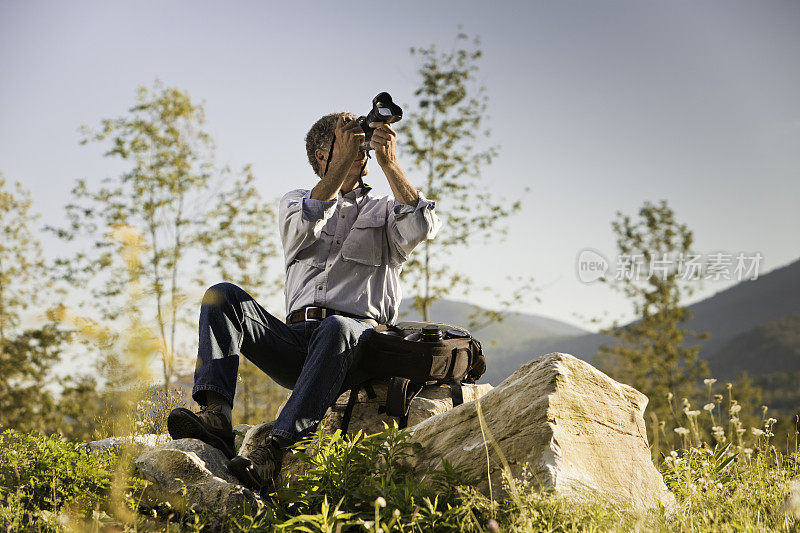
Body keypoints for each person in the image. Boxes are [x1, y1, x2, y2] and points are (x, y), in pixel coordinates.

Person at [167, 111, 441, 493]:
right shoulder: (296, 201)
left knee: (338, 326)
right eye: (344, 142)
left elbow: (423, 226)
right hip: (297, 344)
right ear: (319, 154)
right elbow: (308, 222)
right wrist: (343, 160)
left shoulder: (384, 209)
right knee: (222, 295)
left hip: (356, 345)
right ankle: (217, 417)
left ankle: (275, 450)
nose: (356, 148)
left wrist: (390, 164)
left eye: (358, 141)